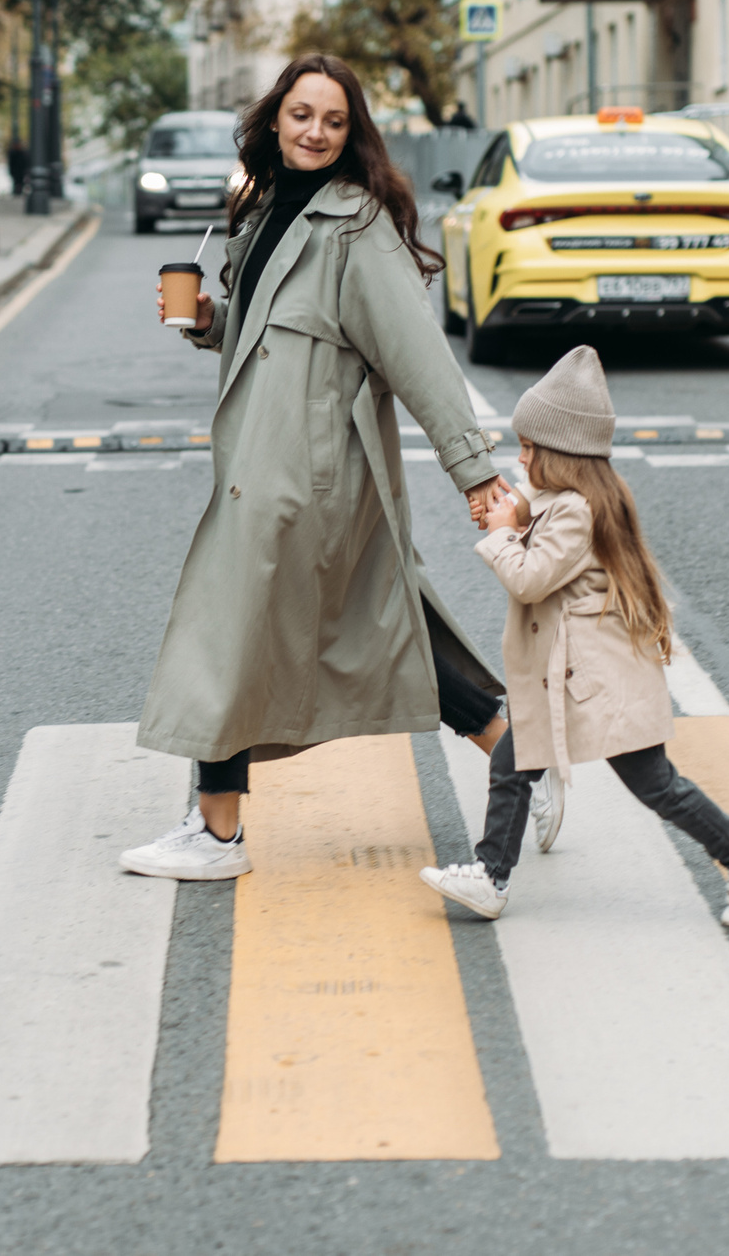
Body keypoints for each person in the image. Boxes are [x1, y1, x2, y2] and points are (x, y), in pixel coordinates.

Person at [124, 53, 516, 880]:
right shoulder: (267, 208)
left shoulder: (357, 226)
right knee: (378, 621)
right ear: (276, 118)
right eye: (303, 115)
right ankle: (518, 755)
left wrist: (475, 471)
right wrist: (208, 319)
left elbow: (418, 359)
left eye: (334, 122)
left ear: (352, 133)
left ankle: (217, 835)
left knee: (224, 636)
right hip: (268, 464)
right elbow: (272, 326)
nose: (316, 132)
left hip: (303, 476)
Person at [419, 345, 729, 926]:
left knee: (657, 785)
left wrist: (501, 535)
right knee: (510, 769)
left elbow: (532, 580)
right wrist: (509, 513)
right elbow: (533, 519)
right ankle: (491, 878)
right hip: (565, 679)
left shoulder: (576, 512)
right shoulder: (569, 501)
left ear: (561, 454)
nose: (520, 457)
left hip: (597, 682)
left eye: (528, 447)